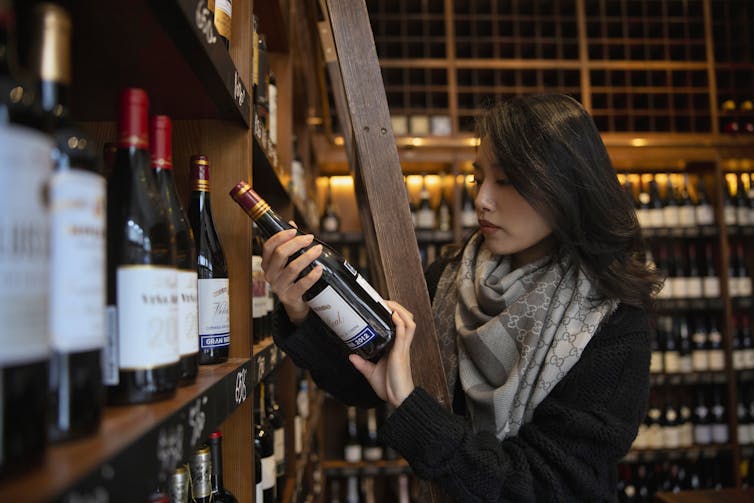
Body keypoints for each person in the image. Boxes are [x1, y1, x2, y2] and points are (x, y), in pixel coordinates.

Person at [260, 93, 661, 502]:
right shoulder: (451, 275)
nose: (482, 199)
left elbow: (547, 487)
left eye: (505, 180)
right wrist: (302, 306)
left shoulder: (611, 321)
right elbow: (368, 377)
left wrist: (412, 407)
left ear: (564, 183)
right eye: (477, 178)